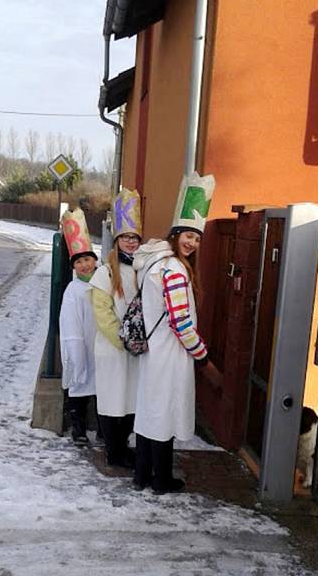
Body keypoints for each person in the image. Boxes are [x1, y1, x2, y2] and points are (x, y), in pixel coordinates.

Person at [132, 174, 214, 494]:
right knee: (162, 416)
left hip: (155, 352)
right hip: (168, 354)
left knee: (150, 413)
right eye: (188, 235)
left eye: (197, 238)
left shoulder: (156, 261)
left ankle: (142, 475)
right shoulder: (175, 270)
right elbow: (181, 323)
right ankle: (161, 480)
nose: (191, 243)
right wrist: (202, 354)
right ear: (176, 233)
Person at [90, 188, 142, 468]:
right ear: (118, 239)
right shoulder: (105, 271)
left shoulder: (143, 269)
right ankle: (114, 452)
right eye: (126, 237)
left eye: (134, 238)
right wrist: (122, 339)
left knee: (131, 402)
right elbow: (102, 312)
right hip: (113, 348)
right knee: (113, 401)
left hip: (136, 349)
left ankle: (123, 447)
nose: (130, 242)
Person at [59, 208, 98, 445]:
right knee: (80, 385)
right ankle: (79, 428)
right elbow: (70, 322)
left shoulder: (104, 281)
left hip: (101, 343)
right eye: (79, 261)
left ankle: (104, 431)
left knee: (102, 388)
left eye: (87, 259)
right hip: (82, 342)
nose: (84, 265)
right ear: (74, 266)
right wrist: (76, 349)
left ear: (95, 260)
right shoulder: (73, 291)